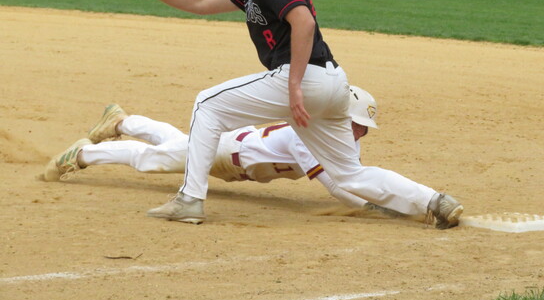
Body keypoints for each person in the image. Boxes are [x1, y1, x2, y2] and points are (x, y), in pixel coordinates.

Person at [131, 0, 462, 228]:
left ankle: (190, 199)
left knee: (207, 103)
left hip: (306, 77)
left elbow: (303, 21)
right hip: (333, 82)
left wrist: (294, 86)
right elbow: (201, 3)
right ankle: (435, 201)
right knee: (348, 173)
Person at [43, 87, 460, 227]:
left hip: (237, 160)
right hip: (230, 151)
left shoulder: (338, 142)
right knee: (157, 161)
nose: (359, 132)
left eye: (362, 128)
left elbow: (349, 174)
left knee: (176, 143)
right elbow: (336, 185)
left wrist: (381, 204)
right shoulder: (306, 135)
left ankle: (123, 121)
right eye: (355, 124)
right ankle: (84, 153)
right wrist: (375, 208)